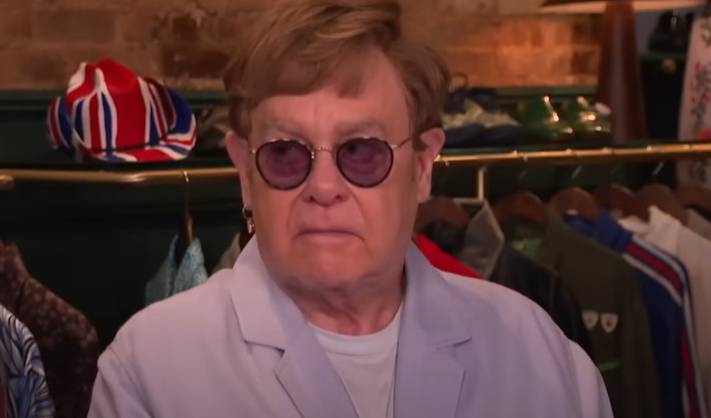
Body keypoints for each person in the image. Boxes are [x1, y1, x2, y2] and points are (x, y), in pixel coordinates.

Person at [87, 1, 612, 417]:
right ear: (246, 173)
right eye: (286, 154)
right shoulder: (151, 368)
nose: (323, 187)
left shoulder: (538, 354)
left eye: (361, 151)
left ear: (422, 166)